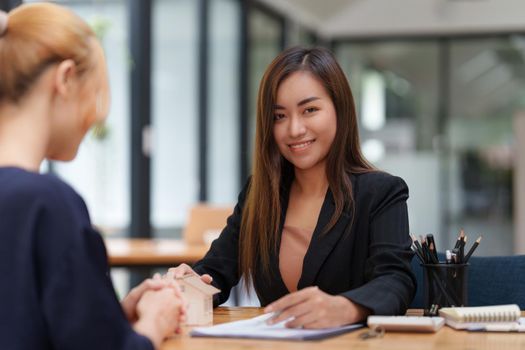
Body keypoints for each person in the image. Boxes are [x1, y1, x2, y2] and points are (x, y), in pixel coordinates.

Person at [169, 46, 416, 329]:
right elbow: (215, 271)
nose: (294, 129)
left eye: (309, 110)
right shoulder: (260, 194)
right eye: (279, 116)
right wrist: (188, 282)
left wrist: (346, 308)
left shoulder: (381, 192)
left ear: (340, 109)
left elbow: (395, 281)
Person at [0, 4, 184, 349]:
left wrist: (110, 316)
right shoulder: (47, 204)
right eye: (94, 91)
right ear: (65, 78)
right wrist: (154, 324)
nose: (93, 117)